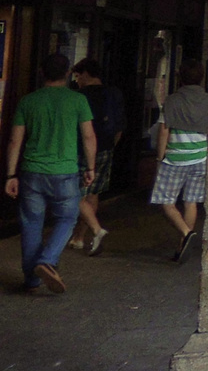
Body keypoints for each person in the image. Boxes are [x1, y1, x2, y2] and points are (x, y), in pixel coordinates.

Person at [5, 53, 96, 294]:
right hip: (65, 172)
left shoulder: (28, 101)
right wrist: (90, 168)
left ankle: (32, 280)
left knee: (31, 224)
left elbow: (15, 141)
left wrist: (10, 175)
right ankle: (47, 260)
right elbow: (88, 137)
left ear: (42, 73)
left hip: (31, 172)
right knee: (67, 218)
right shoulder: (78, 101)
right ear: (67, 74)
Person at [151, 60, 208, 263]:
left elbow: (164, 130)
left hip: (175, 158)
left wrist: (160, 157)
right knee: (190, 202)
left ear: (180, 77)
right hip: (201, 157)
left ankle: (186, 234)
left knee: (166, 202)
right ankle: (181, 245)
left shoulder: (172, 101)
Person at [71, 58, 123, 255]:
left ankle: (95, 231)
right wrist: (109, 147)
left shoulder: (79, 96)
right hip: (105, 149)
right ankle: (79, 237)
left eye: (77, 76)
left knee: (73, 192)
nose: (77, 80)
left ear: (85, 74)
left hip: (80, 149)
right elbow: (119, 126)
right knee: (93, 194)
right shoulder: (114, 94)